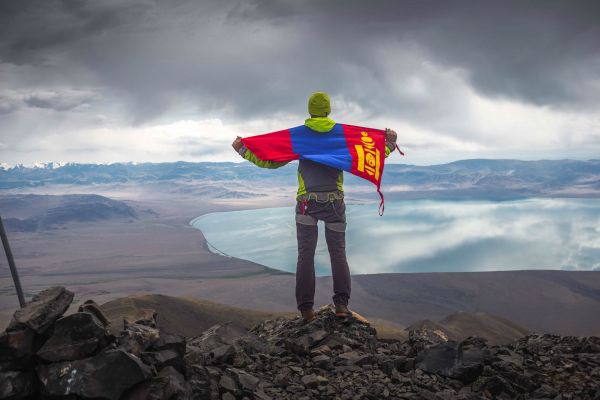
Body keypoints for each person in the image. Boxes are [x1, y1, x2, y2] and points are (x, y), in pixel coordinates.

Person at [232, 92, 398, 323]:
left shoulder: (298, 136)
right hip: (335, 203)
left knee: (305, 256)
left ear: (310, 110)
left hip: (306, 204)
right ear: (328, 110)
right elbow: (370, 154)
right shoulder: (343, 135)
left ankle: (306, 311)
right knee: (338, 253)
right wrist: (389, 143)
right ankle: (341, 306)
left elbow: (269, 162)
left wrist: (243, 150)